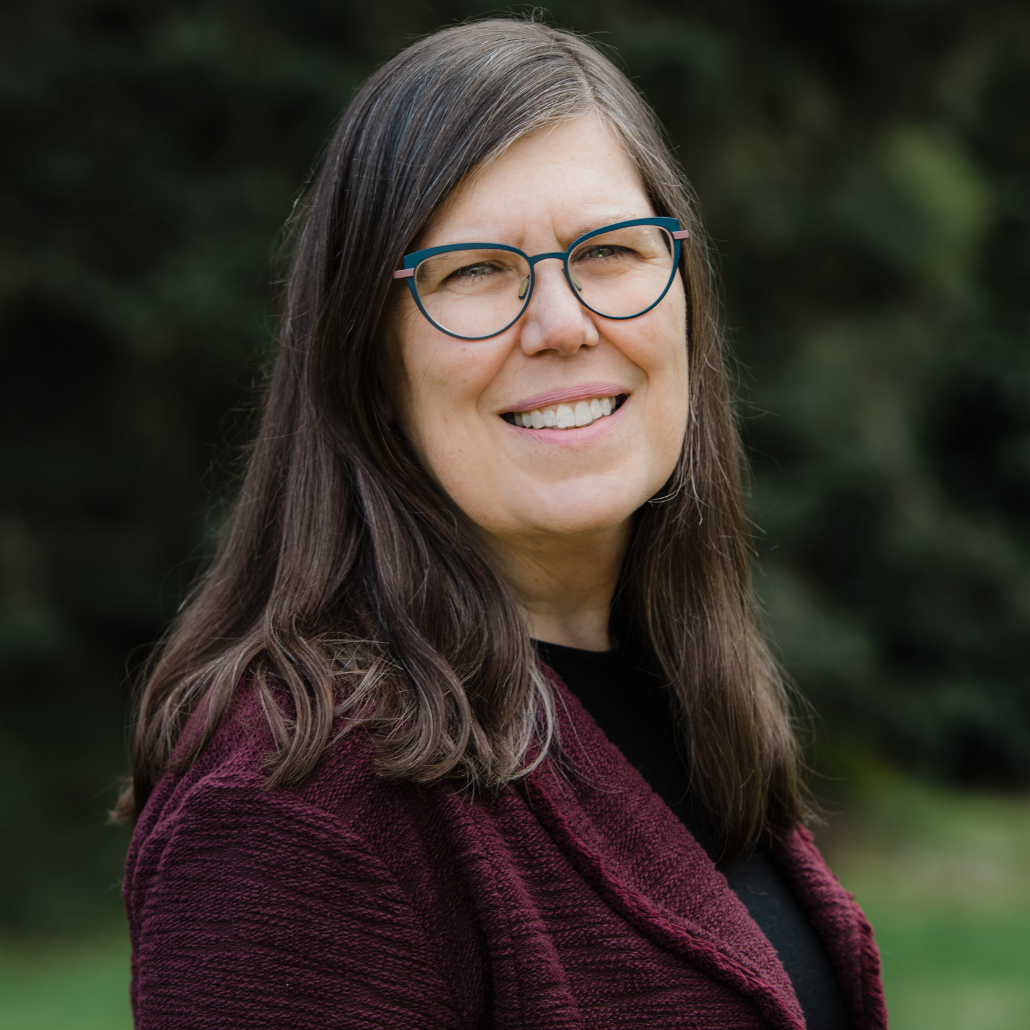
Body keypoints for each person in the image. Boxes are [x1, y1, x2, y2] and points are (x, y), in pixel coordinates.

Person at [118, 18, 887, 1030]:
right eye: (473, 270)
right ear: (370, 359)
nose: (562, 323)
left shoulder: (687, 703)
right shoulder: (292, 801)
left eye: (610, 250)